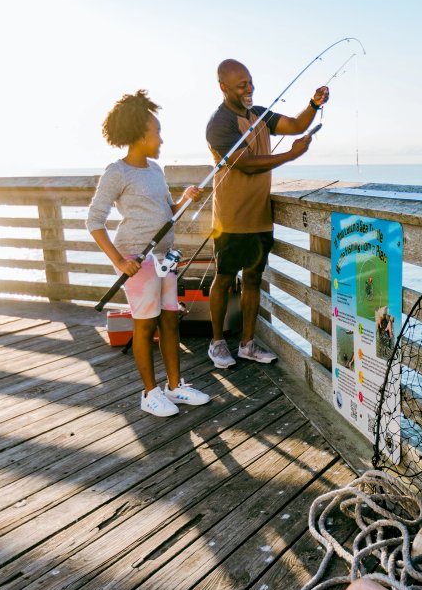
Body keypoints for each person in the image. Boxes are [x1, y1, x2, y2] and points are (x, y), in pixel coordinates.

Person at [88, 90, 211, 417]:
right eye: (157, 132)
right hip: (136, 261)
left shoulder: (156, 170)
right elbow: (94, 220)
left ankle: (175, 386)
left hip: (165, 258)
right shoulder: (117, 172)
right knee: (144, 325)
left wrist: (184, 199)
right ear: (141, 136)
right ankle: (150, 393)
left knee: (171, 320)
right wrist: (119, 261)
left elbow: (166, 210)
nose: (161, 139)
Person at [203, 59, 329, 368]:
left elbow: (296, 125)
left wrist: (313, 104)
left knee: (254, 279)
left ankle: (247, 344)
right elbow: (244, 163)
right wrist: (291, 154)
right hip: (231, 218)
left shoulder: (259, 113)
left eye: (249, 81)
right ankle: (217, 343)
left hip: (260, 217)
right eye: (241, 84)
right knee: (223, 278)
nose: (249, 88)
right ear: (223, 87)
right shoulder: (219, 125)